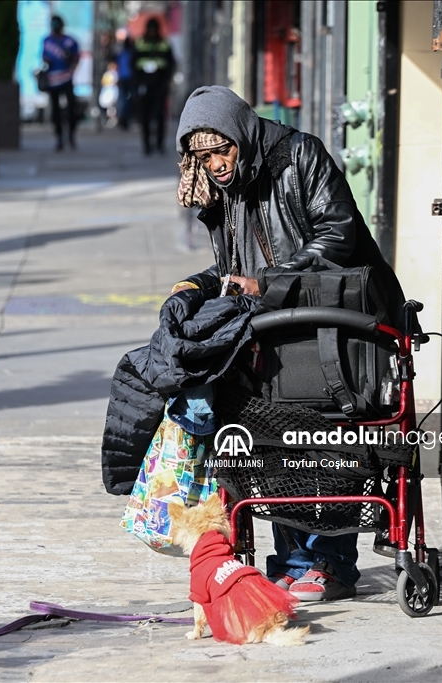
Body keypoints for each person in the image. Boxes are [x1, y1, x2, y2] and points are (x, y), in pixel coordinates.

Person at [172, 85, 406, 602]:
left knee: (328, 440)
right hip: (276, 328)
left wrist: (270, 282)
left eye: (222, 151)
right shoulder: (229, 189)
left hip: (338, 323)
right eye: (204, 159)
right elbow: (238, 266)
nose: (215, 165)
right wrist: (199, 284)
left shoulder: (300, 155)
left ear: (241, 134)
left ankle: (330, 562)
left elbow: (338, 233)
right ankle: (293, 561)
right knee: (274, 440)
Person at [132, 18, 175, 155]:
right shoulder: (140, 43)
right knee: (144, 115)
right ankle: (146, 144)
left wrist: (166, 81)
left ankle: (160, 144)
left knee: (160, 115)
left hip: (159, 83)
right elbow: (133, 62)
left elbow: (170, 63)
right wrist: (138, 82)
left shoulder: (164, 43)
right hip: (144, 83)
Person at [42, 15, 79, 151]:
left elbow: (76, 58)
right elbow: (44, 57)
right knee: (55, 110)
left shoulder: (69, 41)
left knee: (72, 107)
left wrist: (71, 68)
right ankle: (59, 137)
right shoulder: (47, 41)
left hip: (66, 78)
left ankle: (71, 134)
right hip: (53, 80)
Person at [115, 32, 136, 130]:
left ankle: (123, 118)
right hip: (129, 79)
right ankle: (125, 118)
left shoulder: (121, 54)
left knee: (123, 100)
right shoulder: (131, 54)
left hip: (123, 79)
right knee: (129, 100)